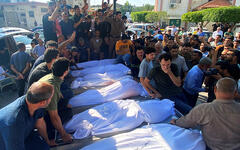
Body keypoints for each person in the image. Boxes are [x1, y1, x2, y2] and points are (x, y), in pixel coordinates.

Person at [171, 77, 240, 150]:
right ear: (235, 93)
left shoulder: (203, 109)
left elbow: (184, 123)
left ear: (215, 89)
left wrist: (175, 122)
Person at [0, 81, 54, 150]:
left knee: (44, 147)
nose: (51, 99)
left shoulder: (35, 102)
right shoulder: (14, 121)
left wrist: (47, 141)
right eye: (51, 97)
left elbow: (40, 124)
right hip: (6, 143)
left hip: (24, 135)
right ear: (43, 102)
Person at [39, 58, 73, 144]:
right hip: (40, 114)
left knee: (66, 107)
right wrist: (64, 135)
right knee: (64, 114)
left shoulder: (51, 76)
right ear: (65, 72)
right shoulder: (52, 88)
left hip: (41, 107)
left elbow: (59, 93)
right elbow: (53, 116)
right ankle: (50, 139)